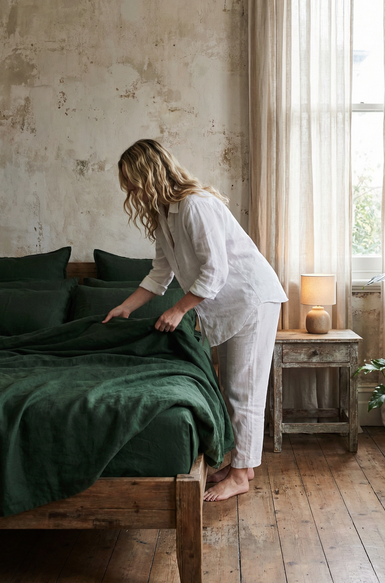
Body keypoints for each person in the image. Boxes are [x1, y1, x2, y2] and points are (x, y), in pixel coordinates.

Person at [102, 139, 288, 501]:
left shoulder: (194, 205)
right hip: (233, 304)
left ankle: (240, 476)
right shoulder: (163, 215)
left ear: (149, 174)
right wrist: (127, 306)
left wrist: (178, 309)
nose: (129, 190)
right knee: (233, 387)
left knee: (243, 390)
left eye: (131, 181)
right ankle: (243, 465)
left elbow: (215, 271)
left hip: (252, 298)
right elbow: (160, 275)